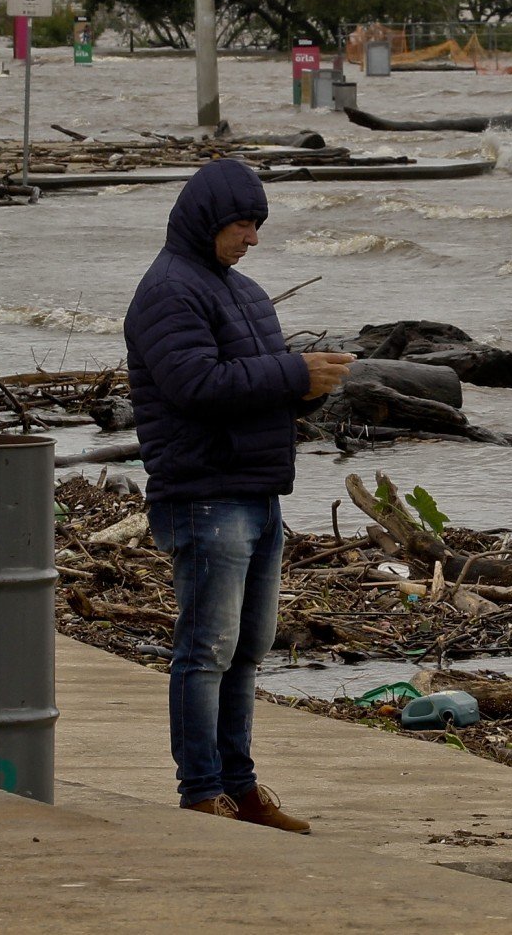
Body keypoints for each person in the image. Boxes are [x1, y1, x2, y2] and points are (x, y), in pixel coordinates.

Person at [122, 159, 354, 831]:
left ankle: (240, 784)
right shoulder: (168, 291)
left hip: (256, 493)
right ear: (207, 219)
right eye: (242, 224)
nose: (252, 237)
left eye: (257, 225)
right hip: (203, 494)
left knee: (249, 646)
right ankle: (201, 787)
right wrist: (293, 371)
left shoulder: (243, 292)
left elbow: (254, 390)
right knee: (207, 648)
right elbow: (196, 384)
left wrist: (307, 390)